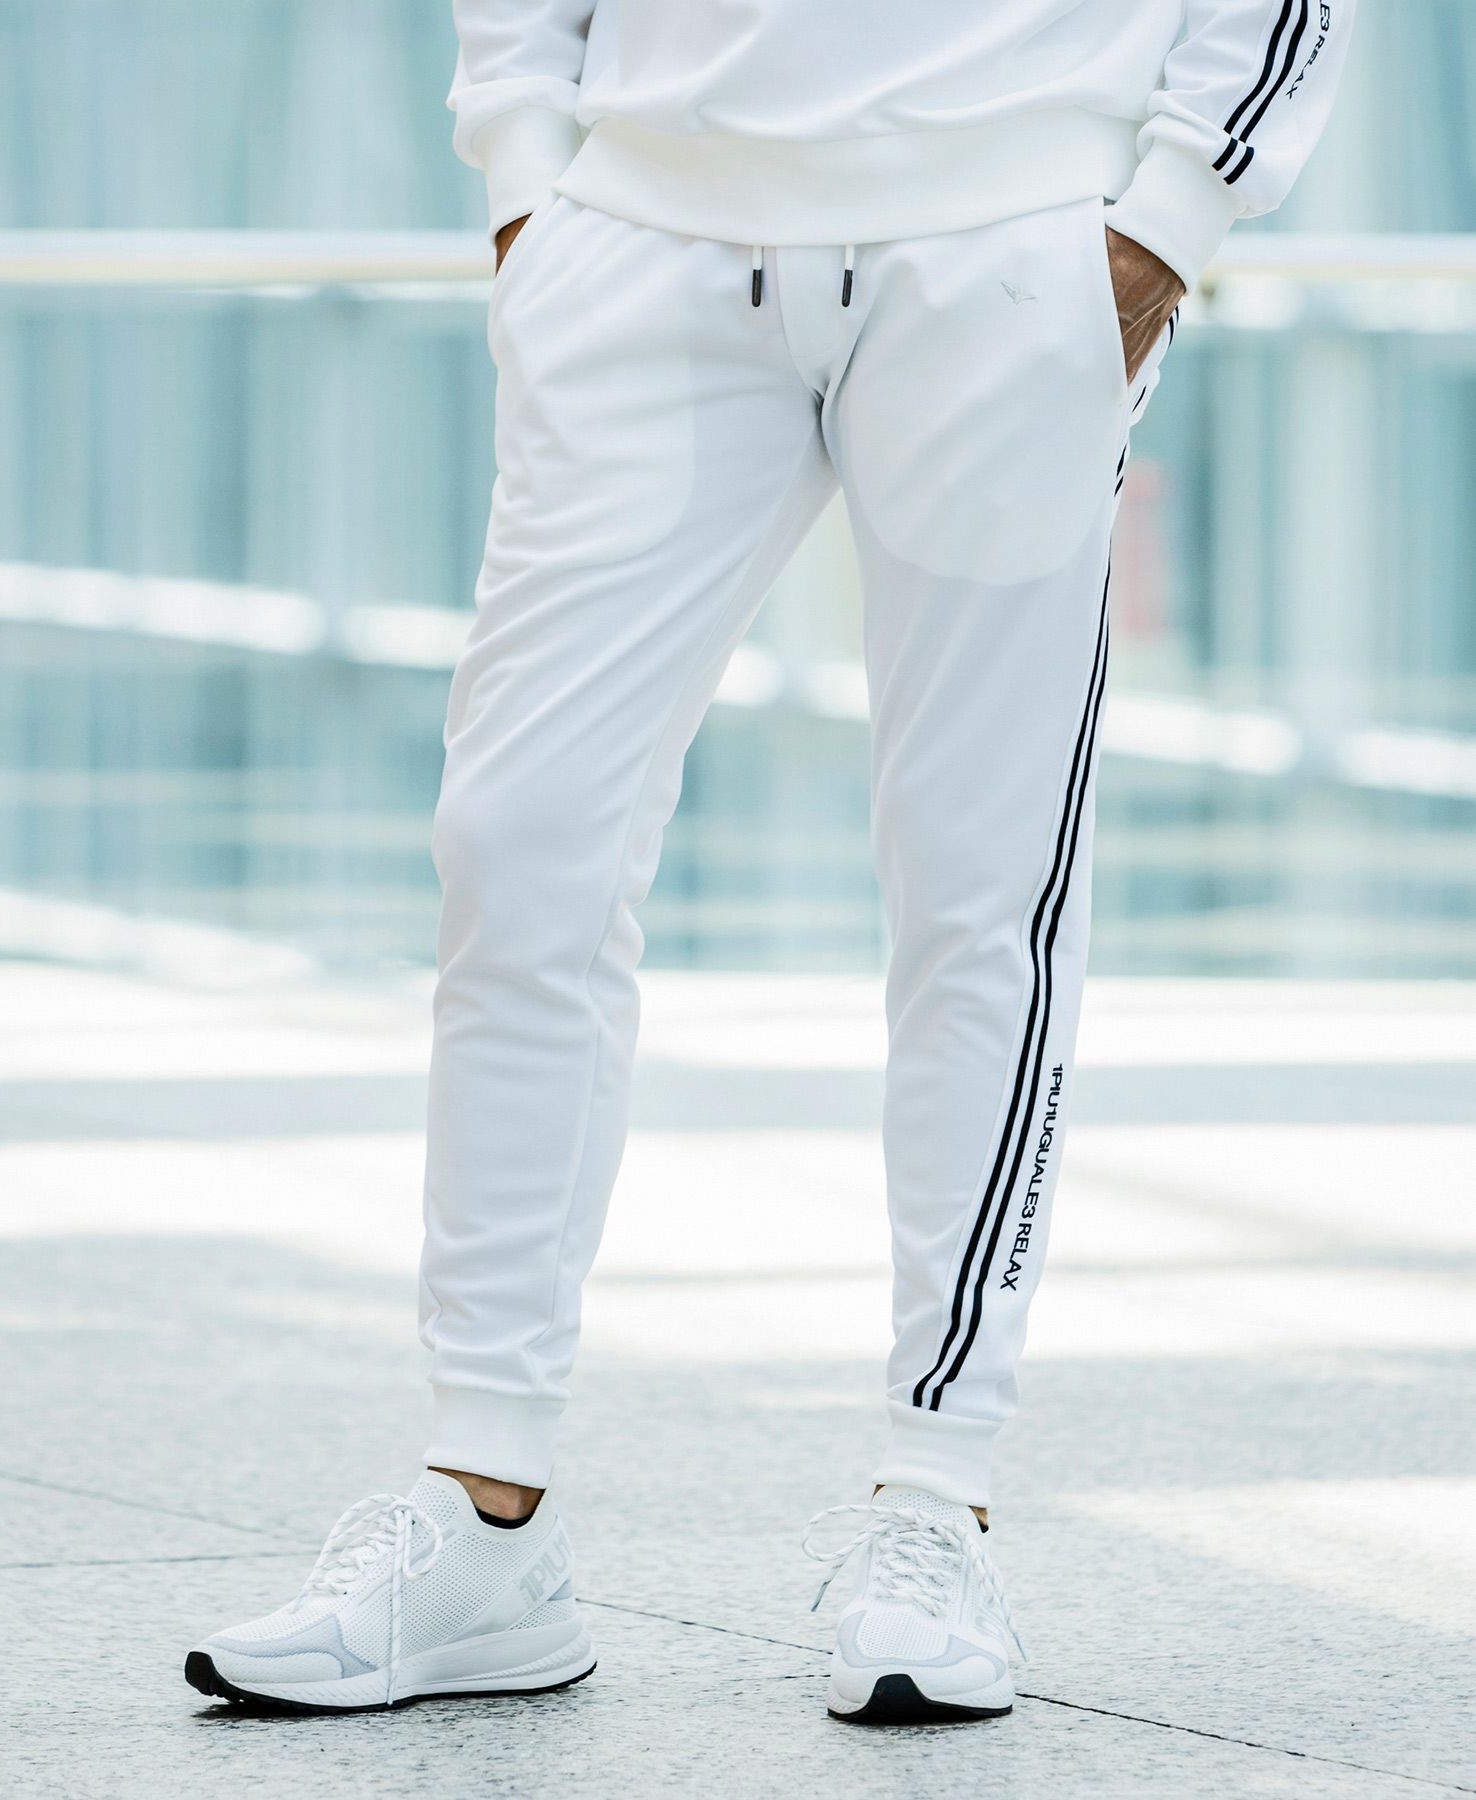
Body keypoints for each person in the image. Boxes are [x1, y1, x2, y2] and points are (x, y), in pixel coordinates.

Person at [187, 0, 1354, 1722]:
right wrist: (526, 164)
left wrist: (1169, 220)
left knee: (980, 887)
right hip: (641, 237)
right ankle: (483, 1514)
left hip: (1008, 247)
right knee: (519, 842)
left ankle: (935, 1494)